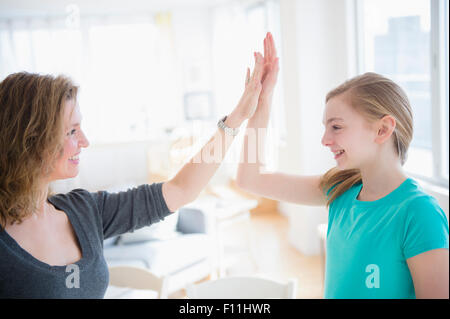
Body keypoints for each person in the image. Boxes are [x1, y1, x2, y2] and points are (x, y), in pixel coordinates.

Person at [0, 49, 265, 298]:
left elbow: (180, 190)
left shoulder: (84, 210)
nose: (85, 141)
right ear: (31, 140)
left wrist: (236, 119)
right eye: (72, 131)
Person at [236, 32, 449, 298]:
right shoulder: (340, 189)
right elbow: (250, 179)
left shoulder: (418, 213)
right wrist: (262, 102)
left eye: (336, 126)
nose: (325, 140)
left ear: (382, 130)